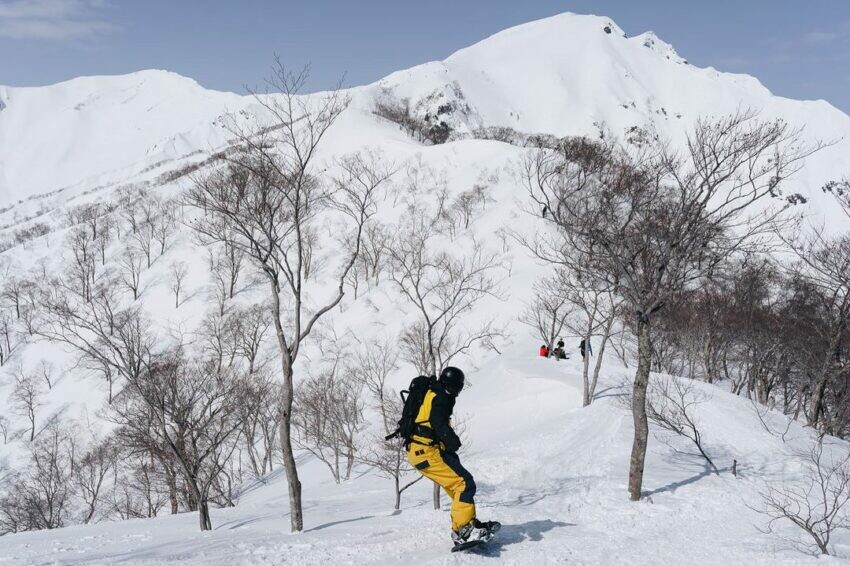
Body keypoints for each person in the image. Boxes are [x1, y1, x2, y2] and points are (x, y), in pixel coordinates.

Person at [406, 367, 497, 546]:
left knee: (457, 487)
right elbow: (437, 421)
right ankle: (464, 530)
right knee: (464, 483)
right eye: (458, 388)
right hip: (426, 451)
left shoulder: (434, 392)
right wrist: (452, 440)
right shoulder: (441, 397)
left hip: (423, 450)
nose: (457, 392)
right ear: (453, 385)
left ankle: (465, 526)